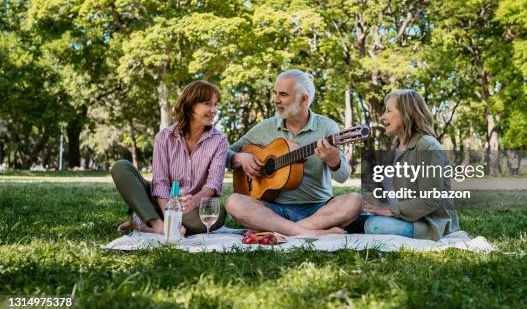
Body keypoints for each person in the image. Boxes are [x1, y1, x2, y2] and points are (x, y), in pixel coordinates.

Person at [224, 70, 362, 236]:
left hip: (317, 209)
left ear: (304, 99)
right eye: (275, 93)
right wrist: (240, 157)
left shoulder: (327, 127)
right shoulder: (266, 127)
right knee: (233, 202)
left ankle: (279, 230)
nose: (276, 100)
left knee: (355, 201)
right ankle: (307, 232)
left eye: (283, 95)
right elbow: (225, 154)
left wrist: (334, 161)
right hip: (273, 210)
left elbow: (343, 177)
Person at [111, 80, 228, 235]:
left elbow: (213, 183)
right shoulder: (164, 138)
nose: (213, 110)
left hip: (191, 209)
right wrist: (169, 216)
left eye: (215, 104)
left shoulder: (219, 140)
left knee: (218, 214)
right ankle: (159, 226)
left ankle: (146, 225)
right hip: (160, 204)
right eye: (208, 104)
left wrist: (195, 200)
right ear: (190, 105)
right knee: (121, 167)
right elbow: (160, 181)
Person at [364, 89, 460, 241]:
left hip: (427, 224)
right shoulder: (396, 148)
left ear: (406, 113)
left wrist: (388, 210)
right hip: (402, 217)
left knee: (373, 226)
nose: (383, 117)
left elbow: (430, 200)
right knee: (352, 215)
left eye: (389, 111)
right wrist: (373, 203)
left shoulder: (428, 147)